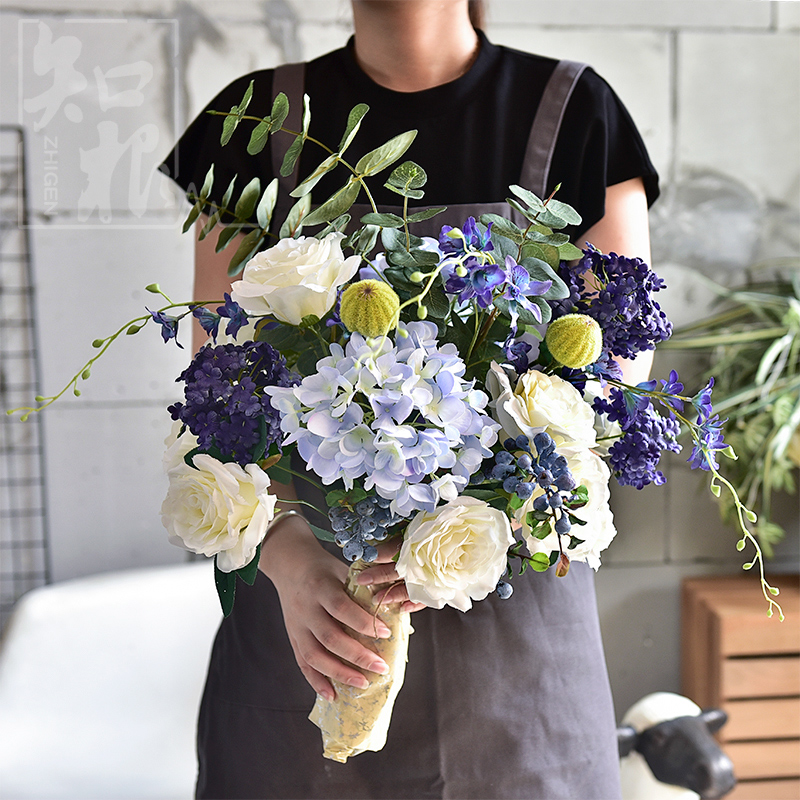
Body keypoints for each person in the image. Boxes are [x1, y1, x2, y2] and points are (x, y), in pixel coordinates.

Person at [160, 1, 659, 797]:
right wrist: (287, 558)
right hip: (310, 641)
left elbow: (611, 390)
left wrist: (512, 508)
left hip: (514, 646)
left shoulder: (576, 112)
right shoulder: (252, 122)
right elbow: (220, 394)